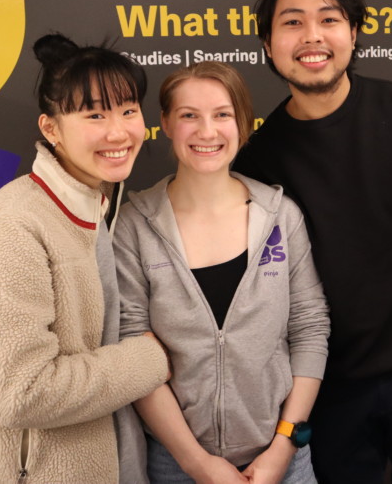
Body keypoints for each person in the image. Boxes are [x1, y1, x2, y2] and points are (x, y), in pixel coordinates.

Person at [233, 0, 392, 483]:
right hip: (328, 389)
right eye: (292, 22)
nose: (311, 36)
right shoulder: (258, 160)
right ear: (267, 44)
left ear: (354, 32)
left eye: (329, 19)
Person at [0, 33, 170, 484]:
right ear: (51, 130)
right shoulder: (15, 226)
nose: (119, 131)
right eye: (94, 115)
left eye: (128, 110)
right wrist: (151, 358)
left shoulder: (96, 204)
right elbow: (22, 393)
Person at [114, 61, 330, 484]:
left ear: (244, 123)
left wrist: (283, 446)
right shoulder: (134, 226)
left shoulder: (280, 218)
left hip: (282, 462)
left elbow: (309, 328)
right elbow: (134, 354)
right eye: (189, 115)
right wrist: (196, 463)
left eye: (222, 114)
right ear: (166, 124)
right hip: (175, 465)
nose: (207, 132)